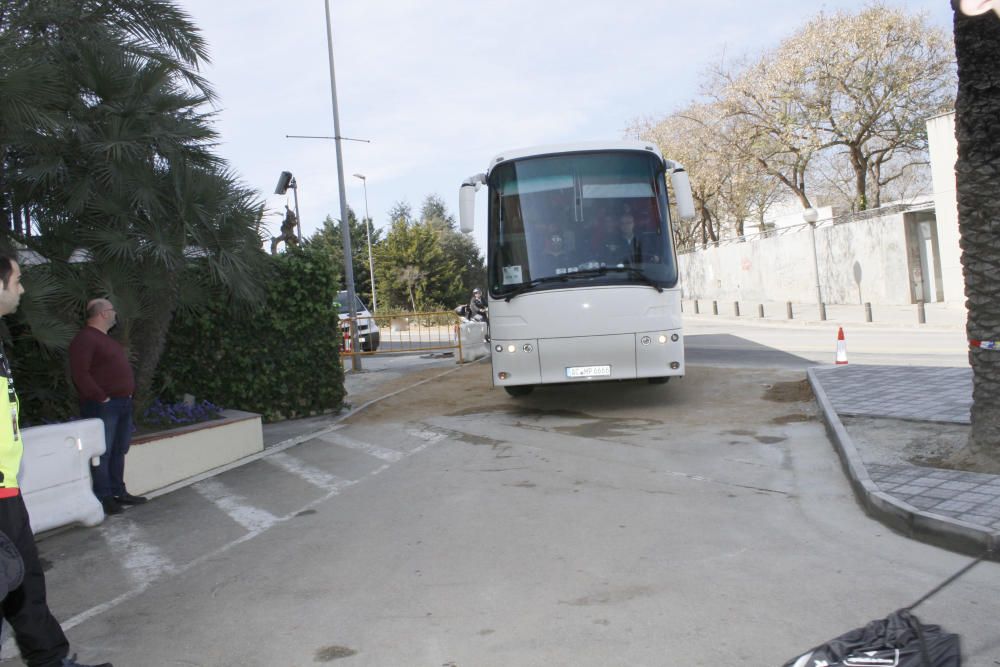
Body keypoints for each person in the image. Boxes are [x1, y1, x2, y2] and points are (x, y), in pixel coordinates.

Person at [0, 254, 113, 667]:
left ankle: (52, 659)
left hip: (7, 489)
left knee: (24, 583)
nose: (22, 289)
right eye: (17, 280)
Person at [68, 299, 146, 516]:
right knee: (102, 452)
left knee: (118, 449)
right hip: (103, 406)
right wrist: (100, 398)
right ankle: (104, 497)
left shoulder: (105, 339)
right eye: (113, 310)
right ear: (102, 313)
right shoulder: (85, 338)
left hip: (121, 403)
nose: (115, 314)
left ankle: (118, 492)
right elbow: (80, 373)